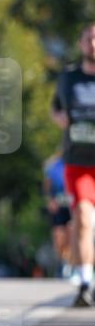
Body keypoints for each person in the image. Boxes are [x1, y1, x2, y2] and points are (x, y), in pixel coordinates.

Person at [51, 22, 95, 307]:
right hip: (78, 161)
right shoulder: (68, 78)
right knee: (83, 217)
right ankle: (85, 283)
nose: (93, 44)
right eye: (89, 39)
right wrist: (60, 119)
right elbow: (55, 107)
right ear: (81, 44)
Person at [42, 152, 72, 279]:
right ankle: (62, 262)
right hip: (58, 204)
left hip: (73, 204)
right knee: (59, 235)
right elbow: (47, 184)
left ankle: (71, 263)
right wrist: (49, 200)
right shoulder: (54, 165)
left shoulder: (77, 162)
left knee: (72, 232)